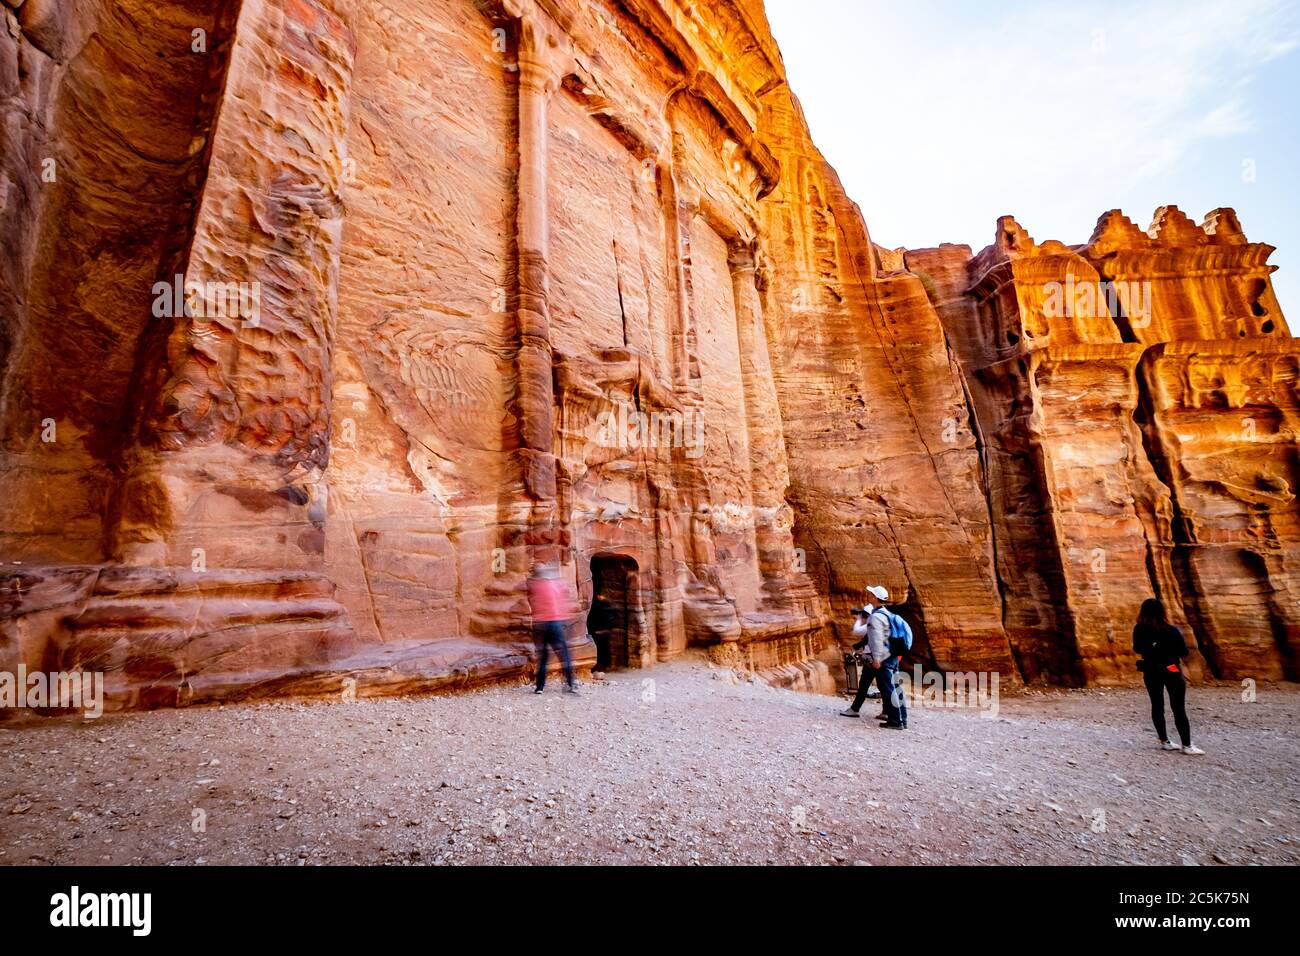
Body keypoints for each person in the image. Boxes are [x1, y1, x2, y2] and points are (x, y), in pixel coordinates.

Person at [1133, 598, 1202, 754]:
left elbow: (1137, 648)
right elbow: (1184, 652)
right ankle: (1187, 745)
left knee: (1157, 706)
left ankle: (1165, 741)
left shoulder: (1139, 629)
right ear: (1163, 612)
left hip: (1150, 669)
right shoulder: (1171, 630)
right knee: (1178, 708)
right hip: (1170, 668)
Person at [839, 585, 907, 729]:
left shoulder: (875, 617)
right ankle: (900, 718)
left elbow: (875, 639)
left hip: (881, 658)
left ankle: (896, 721)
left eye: (871, 594)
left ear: (875, 598)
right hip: (892, 655)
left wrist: (876, 658)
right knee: (892, 686)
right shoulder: (888, 614)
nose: (869, 596)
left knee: (888, 689)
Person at [527, 563, 577, 694]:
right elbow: (563, 600)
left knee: (543, 657)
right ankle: (571, 684)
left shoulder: (534, 585)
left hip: (539, 624)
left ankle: (540, 687)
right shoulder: (554, 584)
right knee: (564, 655)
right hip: (554, 622)